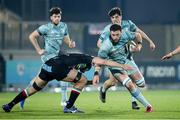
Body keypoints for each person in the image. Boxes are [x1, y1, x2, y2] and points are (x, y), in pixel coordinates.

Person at [2, 53, 133, 113]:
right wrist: (122, 65)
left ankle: (10, 104)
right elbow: (104, 62)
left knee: (33, 88)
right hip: (58, 67)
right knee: (81, 80)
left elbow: (74, 82)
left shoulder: (74, 61)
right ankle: (69, 107)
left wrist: (89, 82)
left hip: (48, 65)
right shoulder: (88, 58)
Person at [97, 7, 155, 110]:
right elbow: (99, 44)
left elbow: (139, 33)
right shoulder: (108, 30)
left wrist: (145, 43)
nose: (115, 19)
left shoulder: (128, 24)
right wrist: (110, 51)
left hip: (127, 57)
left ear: (121, 17)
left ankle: (134, 101)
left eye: (117, 16)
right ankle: (103, 89)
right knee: (113, 82)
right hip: (113, 60)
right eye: (113, 17)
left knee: (141, 83)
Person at [19, 7, 75, 109]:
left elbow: (66, 40)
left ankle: (23, 95)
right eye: (55, 16)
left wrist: (70, 44)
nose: (57, 18)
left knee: (39, 80)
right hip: (48, 57)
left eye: (59, 16)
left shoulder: (63, 26)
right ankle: (64, 102)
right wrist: (39, 50)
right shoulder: (45, 28)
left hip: (56, 56)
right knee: (65, 74)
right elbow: (31, 36)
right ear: (51, 18)